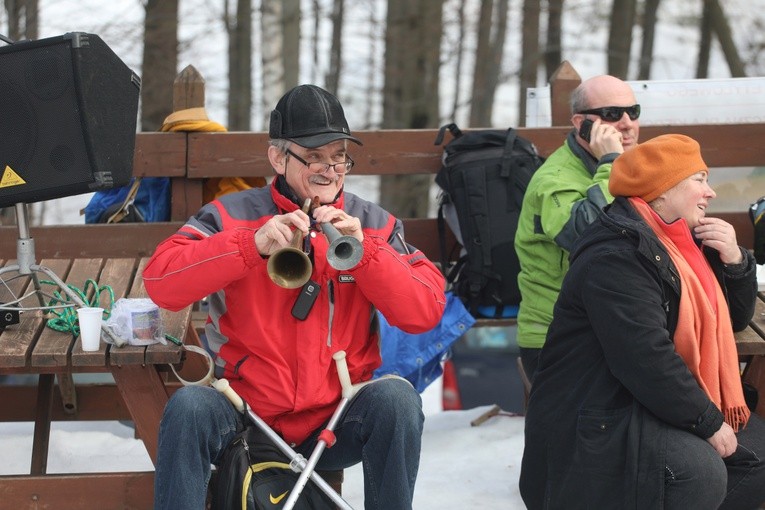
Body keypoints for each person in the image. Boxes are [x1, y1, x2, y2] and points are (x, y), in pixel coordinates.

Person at [142, 84, 447, 510]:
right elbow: (161, 282)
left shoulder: (372, 223)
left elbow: (425, 312)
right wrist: (249, 245)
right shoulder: (230, 214)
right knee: (189, 407)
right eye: (315, 156)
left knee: (397, 400)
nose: (330, 169)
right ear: (278, 157)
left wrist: (367, 255)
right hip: (244, 411)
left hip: (336, 418)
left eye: (339, 156)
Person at [519, 134, 765, 509]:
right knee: (696, 471)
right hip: (599, 414)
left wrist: (736, 262)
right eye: (698, 180)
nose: (710, 192)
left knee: (756, 457)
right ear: (662, 191)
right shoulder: (616, 255)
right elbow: (644, 356)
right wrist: (708, 421)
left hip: (641, 399)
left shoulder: (681, 241)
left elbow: (733, 317)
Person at [514, 74, 640, 381]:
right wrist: (611, 163)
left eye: (633, 111)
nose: (626, 123)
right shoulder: (553, 179)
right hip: (560, 339)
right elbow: (591, 236)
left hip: (617, 325)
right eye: (612, 114)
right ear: (580, 122)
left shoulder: (633, 161)